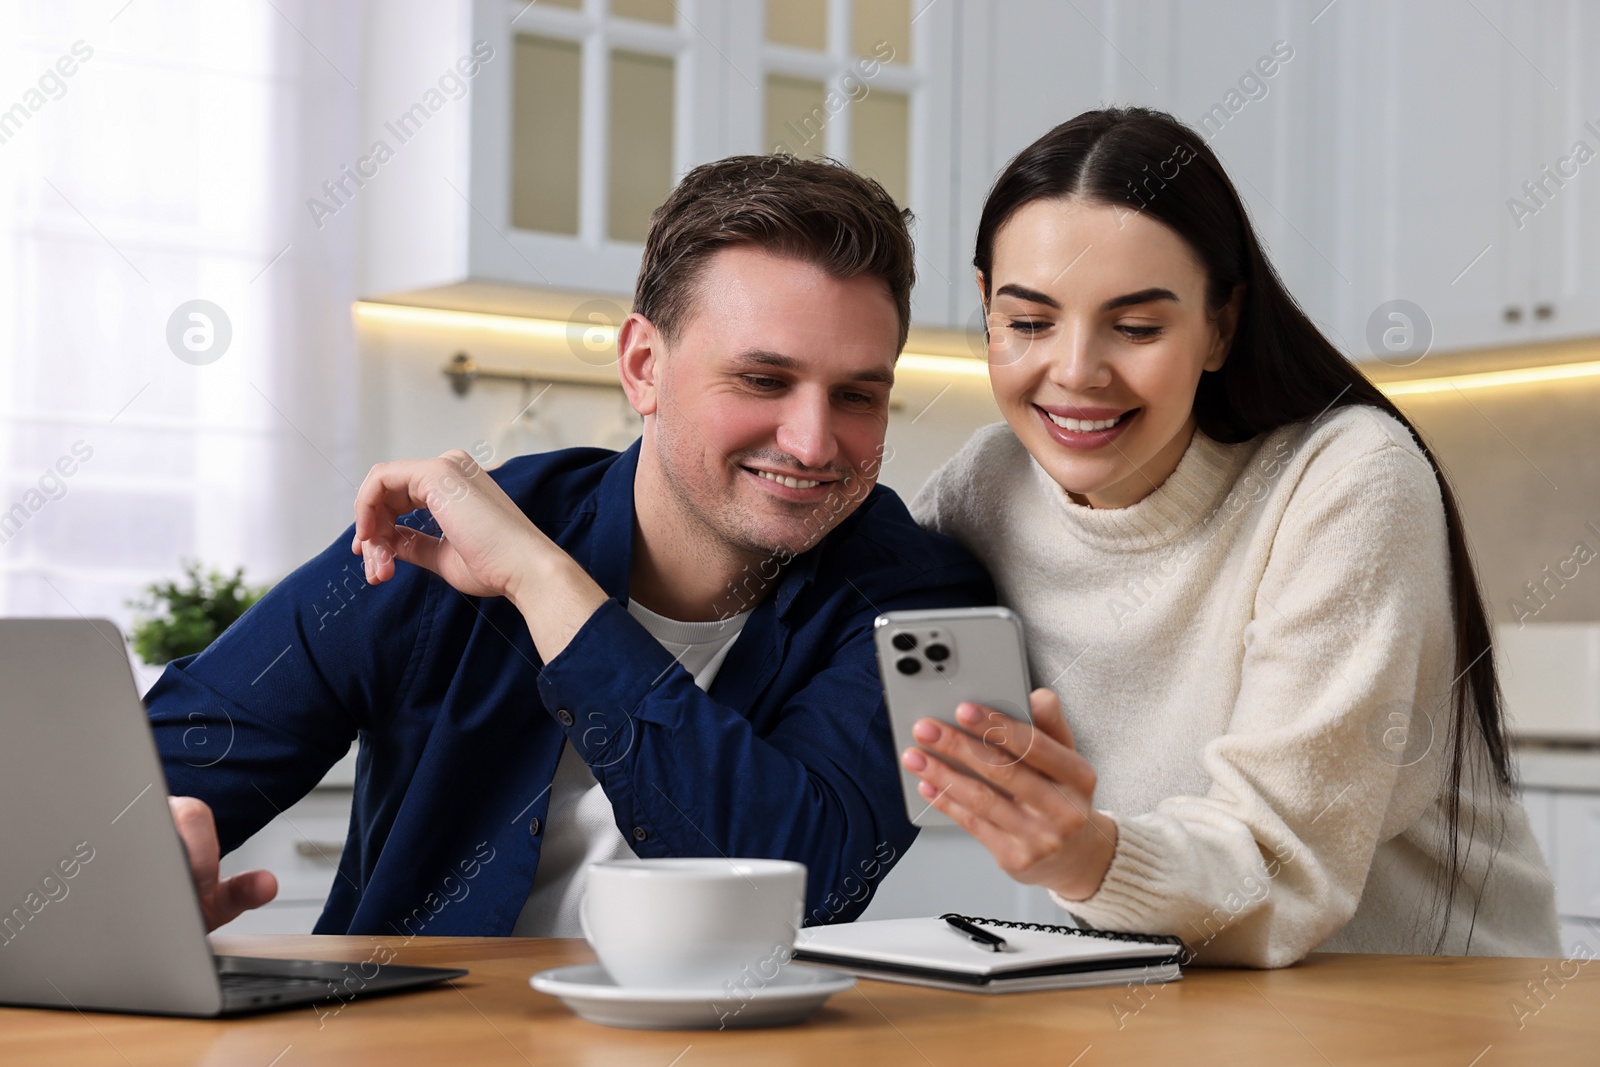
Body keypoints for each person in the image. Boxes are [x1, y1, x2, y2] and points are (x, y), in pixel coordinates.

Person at [148, 155, 992, 937]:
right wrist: (144, 860)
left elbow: (802, 882)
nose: (813, 442)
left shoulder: (917, 599)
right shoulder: (448, 536)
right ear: (642, 366)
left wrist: (545, 584)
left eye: (856, 395)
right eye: (763, 381)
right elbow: (151, 775)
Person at [902, 108, 1560, 966]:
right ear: (986, 308)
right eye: (1029, 323)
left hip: (1439, 1009)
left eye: (1137, 327)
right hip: (1192, 1002)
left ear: (1220, 325)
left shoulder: (1345, 478)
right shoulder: (986, 487)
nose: (1075, 371)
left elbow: (1283, 874)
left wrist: (1086, 854)